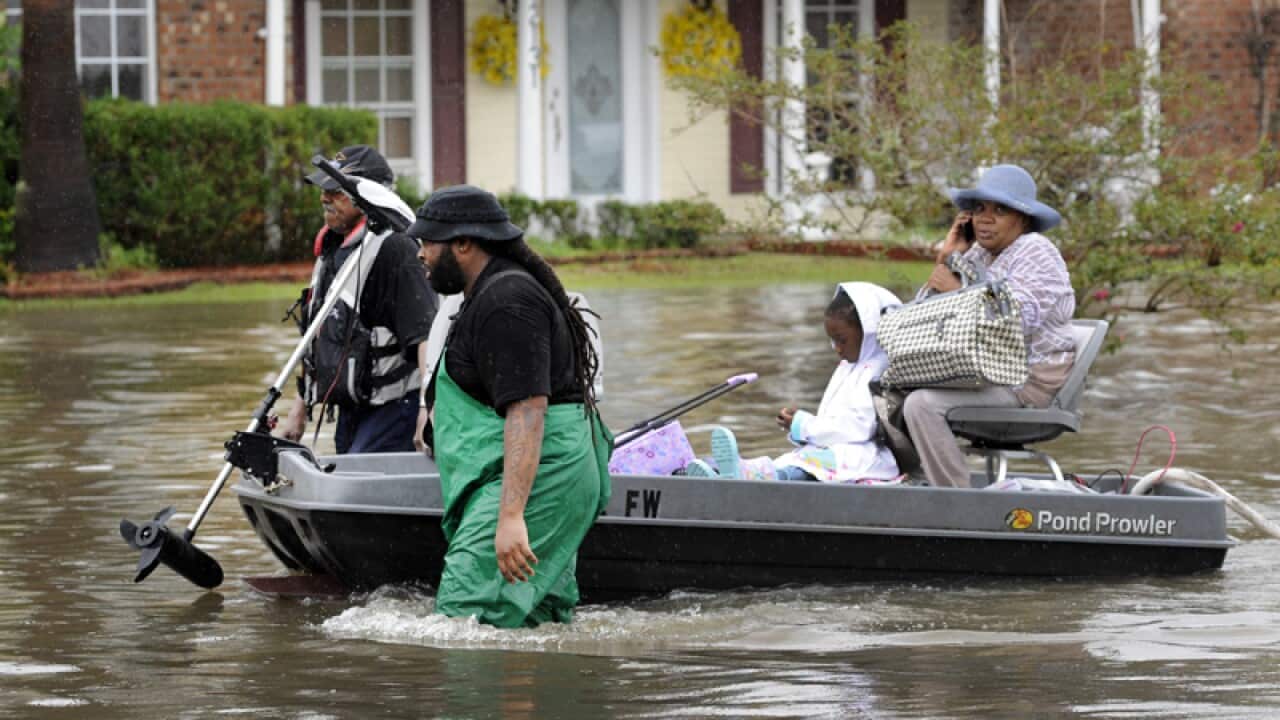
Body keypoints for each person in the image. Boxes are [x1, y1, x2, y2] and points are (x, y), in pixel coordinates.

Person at [408, 184, 611, 628]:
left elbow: (528, 410)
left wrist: (512, 516)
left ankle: (483, 699)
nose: (420, 254)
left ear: (463, 244)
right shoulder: (485, 295)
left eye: (427, 242)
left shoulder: (507, 301)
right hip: (541, 473)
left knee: (465, 618)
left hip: (545, 474)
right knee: (532, 622)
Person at [902, 163, 1076, 488]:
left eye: (1000, 210)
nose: (985, 218)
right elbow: (918, 319)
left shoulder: (1036, 252)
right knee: (888, 387)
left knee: (922, 404)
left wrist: (957, 291)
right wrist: (949, 256)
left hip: (1023, 382)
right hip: (982, 372)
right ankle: (907, 484)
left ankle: (955, 502)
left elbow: (1015, 322)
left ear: (1022, 219)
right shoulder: (978, 254)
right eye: (979, 208)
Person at [276, 145, 437, 454]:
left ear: (369, 197)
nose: (324, 198)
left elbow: (425, 336)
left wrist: (425, 411)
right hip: (353, 410)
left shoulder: (398, 250)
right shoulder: (333, 251)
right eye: (324, 191)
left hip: (395, 410)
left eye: (336, 192)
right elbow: (319, 339)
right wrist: (299, 410)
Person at [684, 282, 903, 484]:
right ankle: (718, 471)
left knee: (802, 468)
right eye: (832, 340)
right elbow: (837, 421)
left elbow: (858, 428)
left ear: (869, 331)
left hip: (863, 456)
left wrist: (804, 425)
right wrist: (800, 425)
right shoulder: (849, 366)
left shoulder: (878, 370)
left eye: (842, 340)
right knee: (794, 461)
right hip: (834, 449)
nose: (836, 348)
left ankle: (749, 476)